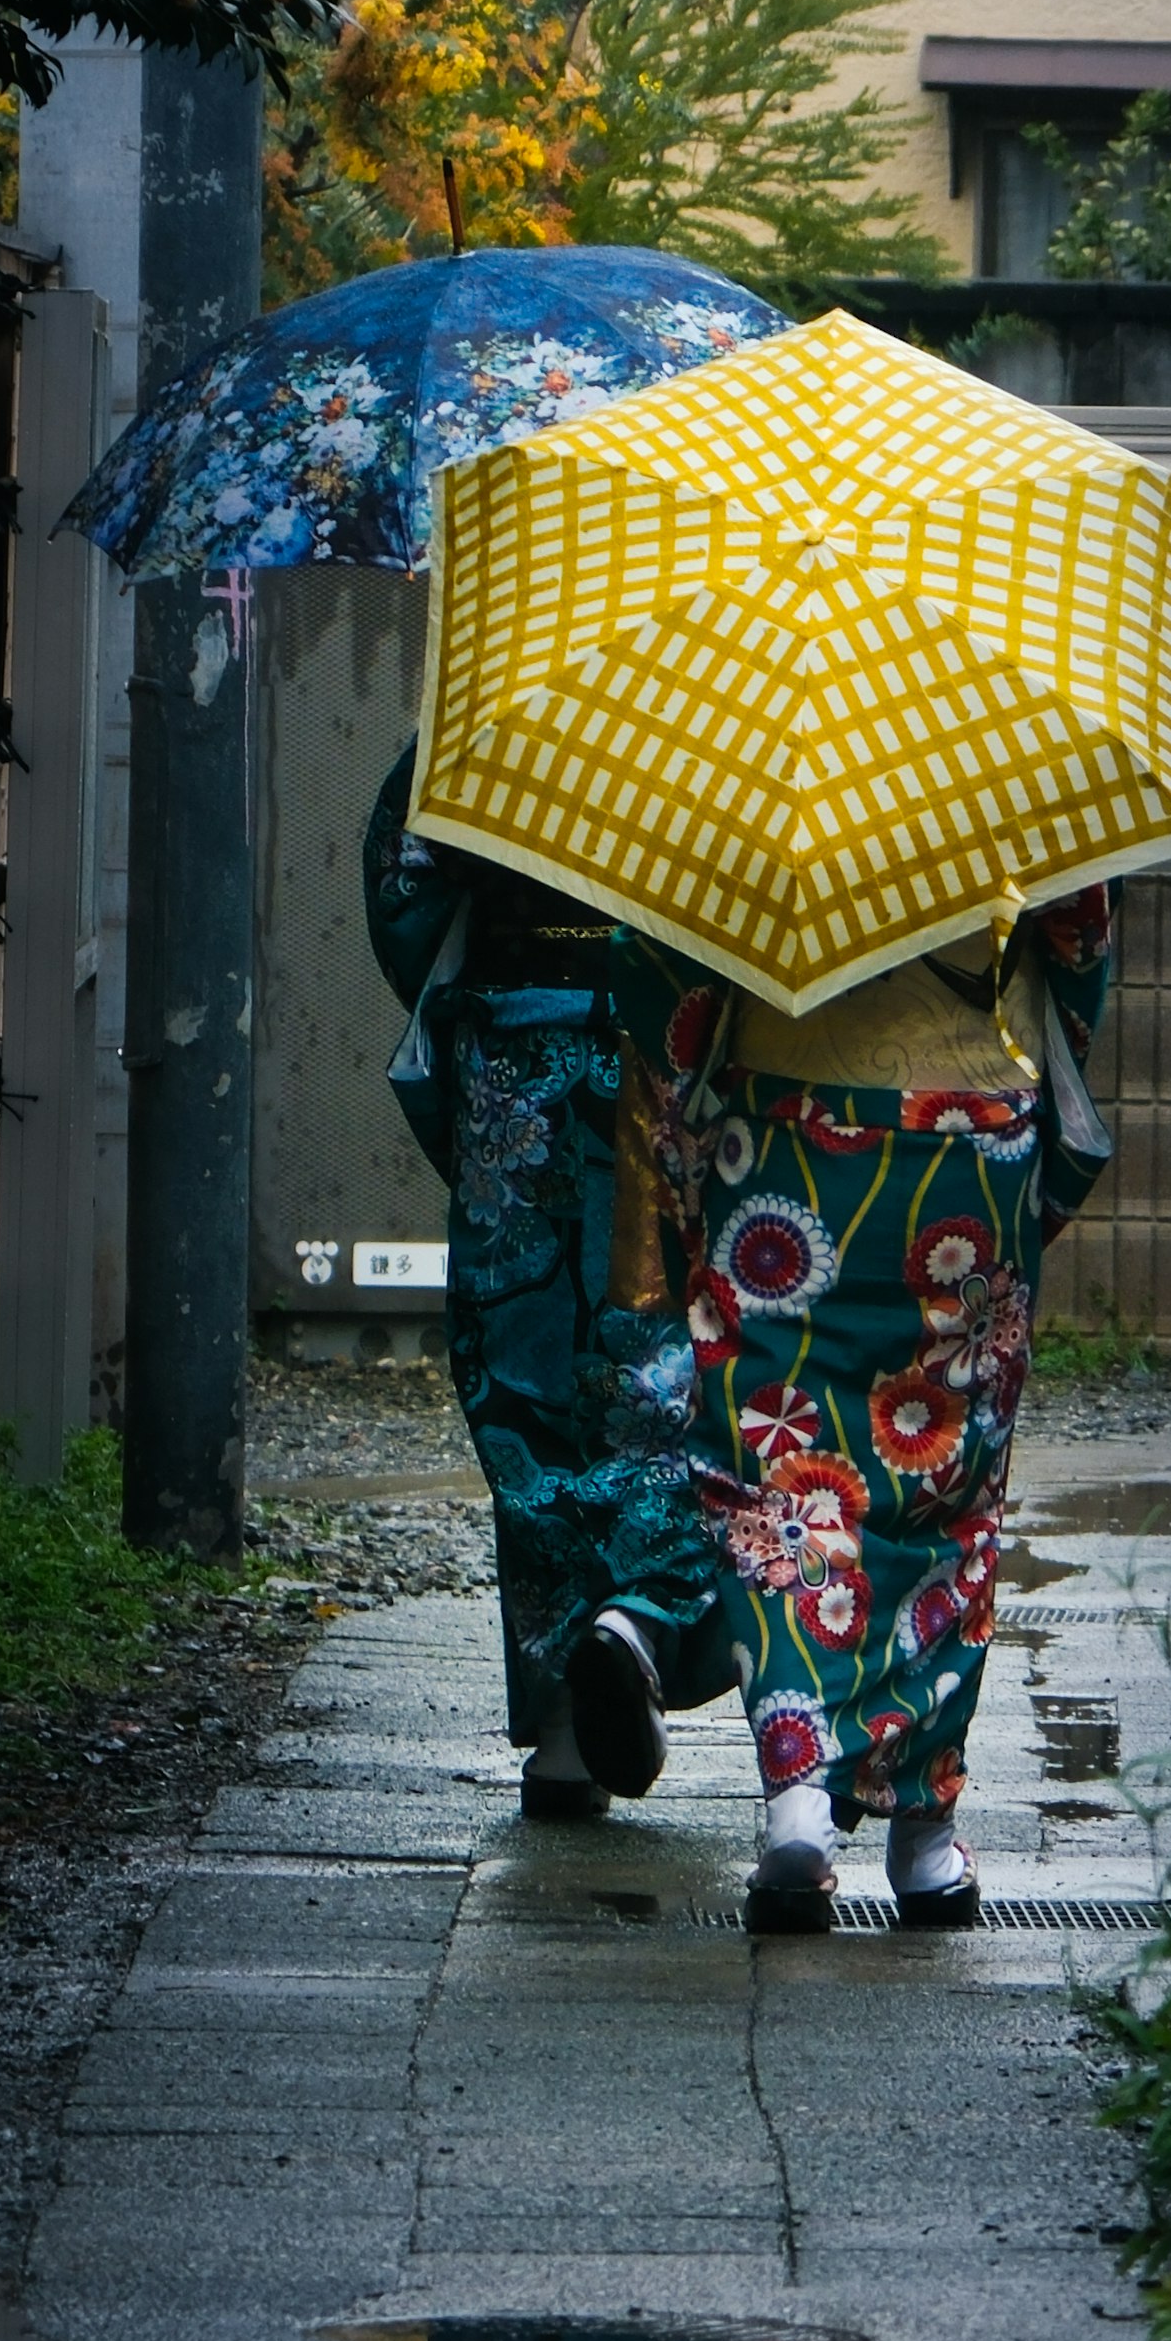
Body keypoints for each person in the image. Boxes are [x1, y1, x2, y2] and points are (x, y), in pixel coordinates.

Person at [623, 884, 1117, 1931]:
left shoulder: (755, 752)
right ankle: (925, 1835)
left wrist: (676, 1138)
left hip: (783, 1129)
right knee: (948, 1474)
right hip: (968, 1137)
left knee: (775, 1471)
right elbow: (1078, 950)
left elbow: (671, 973)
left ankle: (797, 1801)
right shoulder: (1019, 747)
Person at [362, 736, 736, 1817]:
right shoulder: (710, 711)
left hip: (513, 1047)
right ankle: (643, 1622)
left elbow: (406, 878)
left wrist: (483, 987)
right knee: (658, 1367)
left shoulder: (498, 695)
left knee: (521, 1375)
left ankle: (569, 1728)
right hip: (662, 1050)